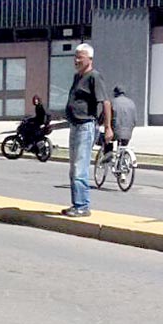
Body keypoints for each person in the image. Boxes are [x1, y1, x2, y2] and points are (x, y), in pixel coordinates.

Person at [63, 43, 112, 218]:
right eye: (75, 56)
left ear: (89, 59)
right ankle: (76, 204)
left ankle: (82, 206)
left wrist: (108, 128)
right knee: (73, 168)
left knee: (79, 167)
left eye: (80, 57)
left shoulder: (94, 77)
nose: (76, 60)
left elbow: (105, 102)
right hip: (75, 126)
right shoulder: (78, 77)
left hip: (86, 126)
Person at [103, 86, 137, 162]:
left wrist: (99, 123)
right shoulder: (131, 103)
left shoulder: (112, 102)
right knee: (122, 147)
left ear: (115, 93)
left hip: (115, 131)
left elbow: (104, 115)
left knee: (106, 140)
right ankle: (121, 164)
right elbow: (135, 120)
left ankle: (108, 156)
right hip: (128, 132)